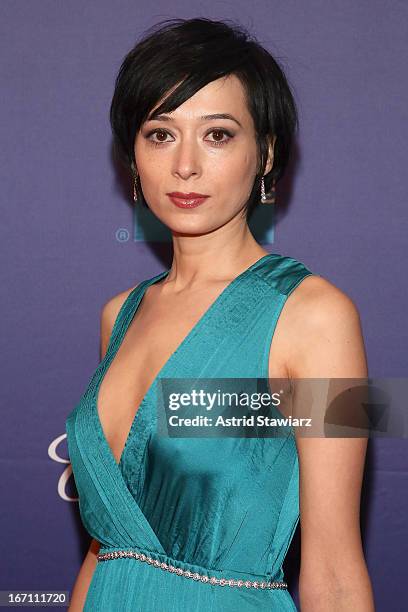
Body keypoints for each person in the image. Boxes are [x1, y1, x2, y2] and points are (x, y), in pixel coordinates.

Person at [66, 17, 375, 611]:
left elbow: (335, 567)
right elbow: (105, 547)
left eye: (218, 135)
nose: (184, 165)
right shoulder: (119, 314)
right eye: (160, 134)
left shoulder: (318, 316)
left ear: (266, 153)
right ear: (131, 154)